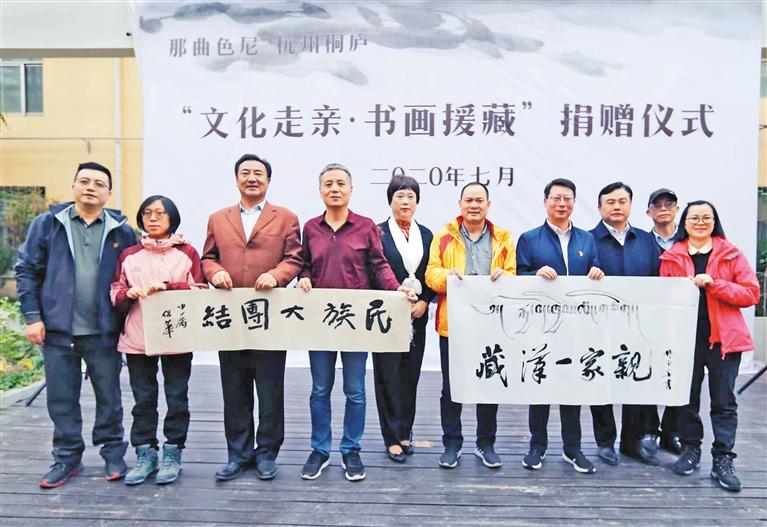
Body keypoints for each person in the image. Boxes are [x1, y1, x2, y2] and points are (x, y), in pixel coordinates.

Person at [15, 162, 138, 488]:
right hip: (58, 330)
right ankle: (67, 457)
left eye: (99, 183)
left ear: (108, 193)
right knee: (61, 398)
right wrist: (33, 317)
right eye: (84, 181)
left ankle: (113, 453)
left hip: (104, 330)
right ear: (74, 186)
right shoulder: (47, 225)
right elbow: (27, 270)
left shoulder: (122, 231)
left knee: (109, 397)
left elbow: (134, 276)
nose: (91, 187)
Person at [297, 163, 417, 482]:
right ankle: (320, 449)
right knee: (319, 390)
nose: (334, 189)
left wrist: (396, 288)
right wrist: (303, 278)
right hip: (321, 322)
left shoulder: (365, 227)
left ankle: (351, 449)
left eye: (341, 183)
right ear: (320, 191)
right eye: (328, 184)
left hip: (355, 322)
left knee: (355, 391)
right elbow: (305, 264)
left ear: (351, 190)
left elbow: (379, 265)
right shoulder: (311, 228)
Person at [201, 154, 303, 481]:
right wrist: (214, 272)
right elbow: (207, 258)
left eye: (259, 173)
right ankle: (238, 454)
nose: (252, 178)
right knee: (234, 388)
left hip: (269, 317)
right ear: (236, 180)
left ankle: (267, 453)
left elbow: (294, 259)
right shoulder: (218, 218)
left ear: (268, 181)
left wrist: (276, 275)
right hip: (230, 318)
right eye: (245, 173)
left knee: (270, 389)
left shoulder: (285, 217)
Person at [660, 200, 759, 492]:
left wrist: (715, 284)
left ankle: (723, 458)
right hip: (685, 339)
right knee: (686, 398)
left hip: (724, 341)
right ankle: (690, 449)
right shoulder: (671, 255)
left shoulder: (731, 253)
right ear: (684, 222)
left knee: (723, 401)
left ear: (715, 222)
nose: (700, 222)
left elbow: (751, 293)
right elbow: (663, 297)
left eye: (706, 217)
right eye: (694, 218)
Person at [110, 195, 204, 485]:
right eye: (147, 213)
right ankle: (145, 453)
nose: (153, 218)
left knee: (177, 398)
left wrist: (168, 287)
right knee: (143, 399)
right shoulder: (129, 254)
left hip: (177, 336)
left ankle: (173, 452)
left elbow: (200, 290)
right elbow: (115, 289)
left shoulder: (187, 252)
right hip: (138, 337)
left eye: (160, 213)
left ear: (172, 218)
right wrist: (128, 294)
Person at [425, 182, 516, 470]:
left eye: (479, 200)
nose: (474, 205)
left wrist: (506, 278)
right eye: (469, 200)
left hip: (491, 325)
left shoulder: (503, 238)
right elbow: (431, 274)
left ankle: (485, 443)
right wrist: (447, 277)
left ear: (488, 205)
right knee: (451, 387)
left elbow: (513, 275)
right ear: (460, 204)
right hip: (453, 325)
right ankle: (452, 443)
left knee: (489, 383)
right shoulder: (443, 235)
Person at [515, 178, 604, 475]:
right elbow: (518, 277)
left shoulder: (586, 240)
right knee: (539, 385)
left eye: (567, 198)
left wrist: (597, 272)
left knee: (572, 388)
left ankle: (572, 448)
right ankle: (537, 446)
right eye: (556, 198)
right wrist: (535, 273)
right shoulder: (529, 239)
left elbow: (595, 270)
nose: (562, 204)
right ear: (545, 202)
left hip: (577, 327)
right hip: (541, 327)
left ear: (574, 203)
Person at [588, 182, 662, 466]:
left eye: (622, 201)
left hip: (639, 325)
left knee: (636, 379)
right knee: (600, 381)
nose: (617, 207)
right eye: (610, 202)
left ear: (631, 205)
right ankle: (605, 441)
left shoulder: (646, 240)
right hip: (599, 324)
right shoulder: (587, 239)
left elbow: (658, 278)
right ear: (599, 208)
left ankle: (632, 442)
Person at [373, 176, 435, 463]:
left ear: (417, 202)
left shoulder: (427, 235)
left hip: (416, 316)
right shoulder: (378, 233)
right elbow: (373, 270)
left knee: (410, 376)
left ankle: (405, 431)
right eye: (399, 196)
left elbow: (431, 272)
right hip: (386, 317)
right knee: (387, 376)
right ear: (390, 201)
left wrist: (425, 301)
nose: (405, 202)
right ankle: (391, 437)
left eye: (411, 196)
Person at [646, 188, 683, 453]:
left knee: (679, 375)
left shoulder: (690, 239)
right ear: (648, 212)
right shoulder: (641, 241)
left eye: (669, 204)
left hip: (683, 320)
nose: (663, 209)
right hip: (650, 320)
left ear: (677, 209)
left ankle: (672, 431)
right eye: (657, 205)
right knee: (647, 373)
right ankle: (649, 430)